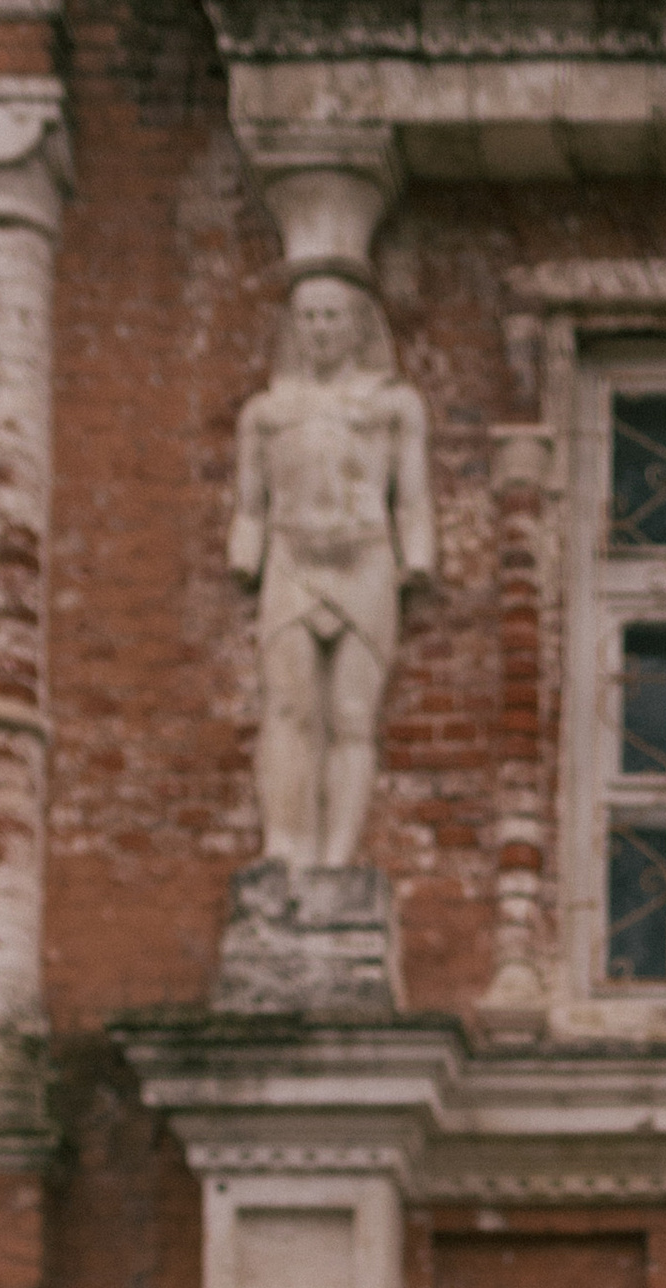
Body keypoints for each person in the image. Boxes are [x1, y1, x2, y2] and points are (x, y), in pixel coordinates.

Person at [228, 271, 435, 870]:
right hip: (292, 561)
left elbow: (412, 495)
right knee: (288, 708)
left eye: (332, 316)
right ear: (295, 328)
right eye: (309, 317)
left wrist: (416, 553)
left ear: (357, 326)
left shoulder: (392, 404)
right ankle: (285, 844)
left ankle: (338, 857)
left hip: (365, 560)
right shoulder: (266, 412)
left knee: (350, 714)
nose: (320, 329)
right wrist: (246, 552)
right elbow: (250, 502)